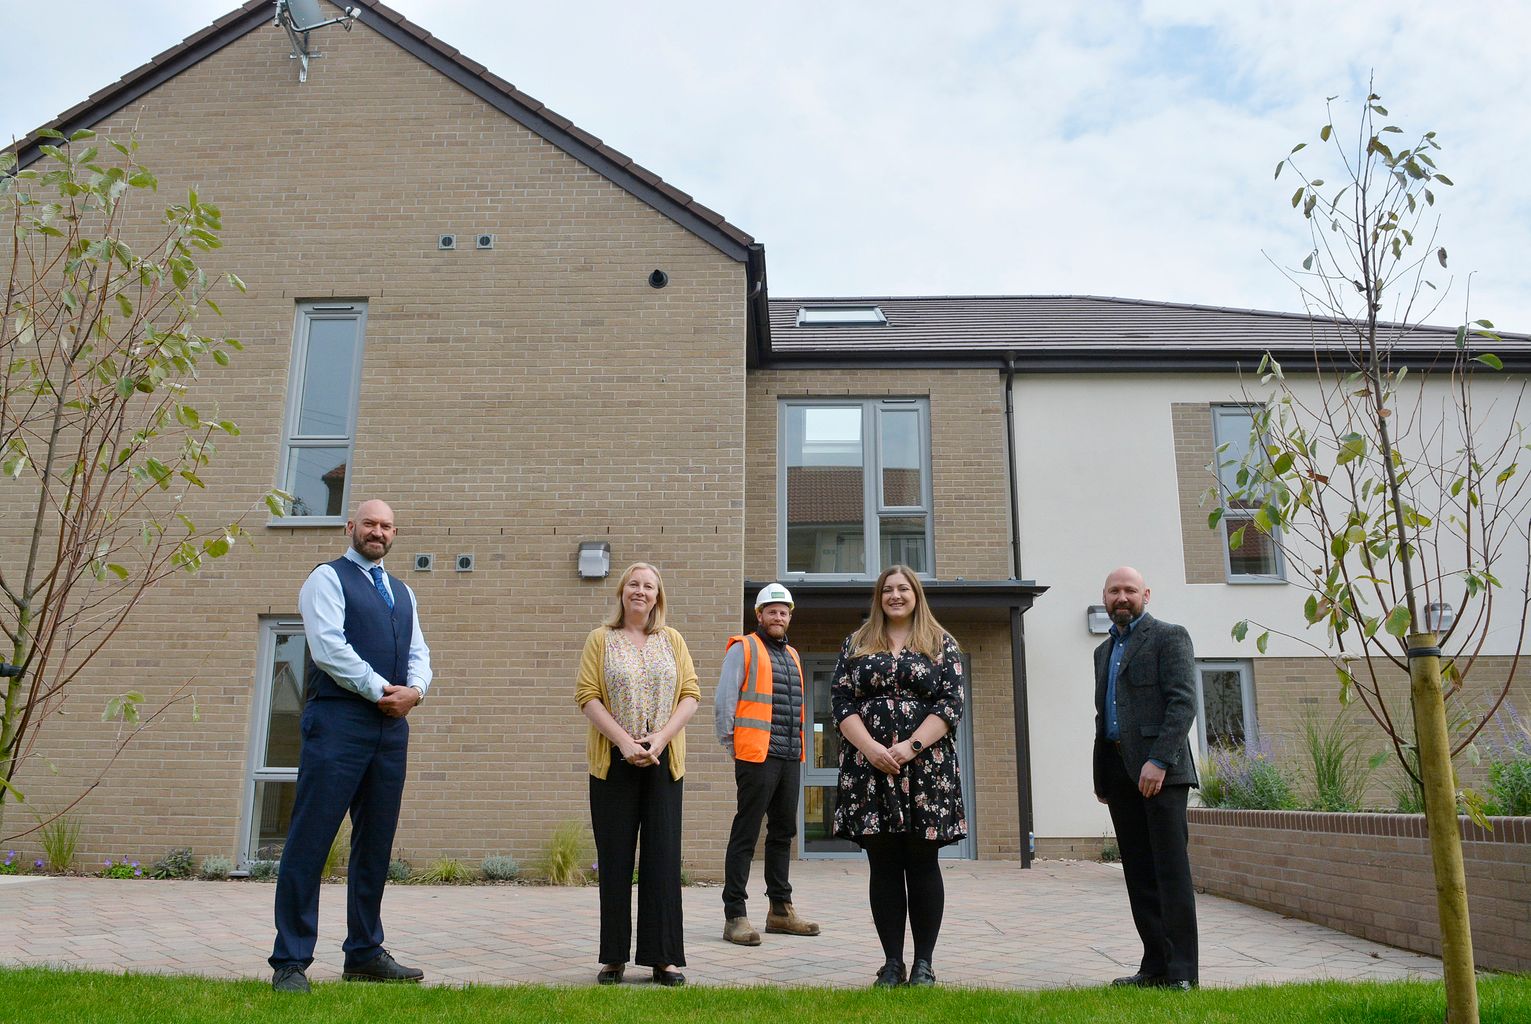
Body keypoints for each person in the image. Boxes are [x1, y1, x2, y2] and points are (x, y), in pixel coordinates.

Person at [270, 499, 433, 992]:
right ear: (351, 527)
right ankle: (291, 960)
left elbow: (420, 652)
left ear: (394, 532)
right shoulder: (326, 578)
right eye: (369, 524)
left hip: (390, 729)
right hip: (338, 723)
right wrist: (384, 689)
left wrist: (417, 691)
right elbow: (327, 647)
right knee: (311, 838)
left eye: (385, 526)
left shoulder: (402, 592)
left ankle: (363, 952)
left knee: (376, 843)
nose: (377, 532)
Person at [830, 564, 966, 988]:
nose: (895, 596)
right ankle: (892, 963)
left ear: (916, 595)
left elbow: (949, 704)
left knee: (923, 864)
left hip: (926, 770)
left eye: (903, 589)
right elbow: (840, 702)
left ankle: (924, 963)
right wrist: (870, 748)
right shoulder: (855, 644)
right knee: (884, 865)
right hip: (869, 770)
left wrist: (909, 748)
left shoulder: (942, 643)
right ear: (878, 597)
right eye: (887, 589)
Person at [575, 562, 700, 987]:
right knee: (614, 861)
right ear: (622, 592)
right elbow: (587, 696)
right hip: (614, 763)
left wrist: (660, 740)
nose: (640, 591)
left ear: (657, 596)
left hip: (664, 762)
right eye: (634, 584)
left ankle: (663, 957)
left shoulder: (673, 640)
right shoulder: (600, 639)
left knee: (662, 859)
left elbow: (691, 694)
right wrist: (625, 743)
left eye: (649, 586)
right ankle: (613, 957)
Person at [1092, 566, 1199, 991]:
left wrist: (1158, 760)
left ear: (1146, 595)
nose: (1122, 596)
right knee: (1138, 873)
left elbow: (1183, 703)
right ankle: (1155, 967)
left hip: (1162, 774)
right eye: (1114, 590)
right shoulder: (1103, 651)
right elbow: (1105, 717)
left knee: (1170, 873)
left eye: (1130, 590)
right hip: (1121, 776)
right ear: (1104, 597)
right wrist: (1105, 777)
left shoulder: (1170, 636)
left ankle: (1183, 974)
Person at [715, 583, 820, 945]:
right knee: (746, 833)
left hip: (789, 756)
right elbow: (724, 702)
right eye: (772, 611)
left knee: (782, 833)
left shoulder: (792, 656)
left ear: (789, 616)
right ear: (758, 615)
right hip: (755, 755)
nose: (778, 617)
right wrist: (734, 746)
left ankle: (780, 910)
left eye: (784, 611)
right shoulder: (743, 648)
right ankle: (735, 916)